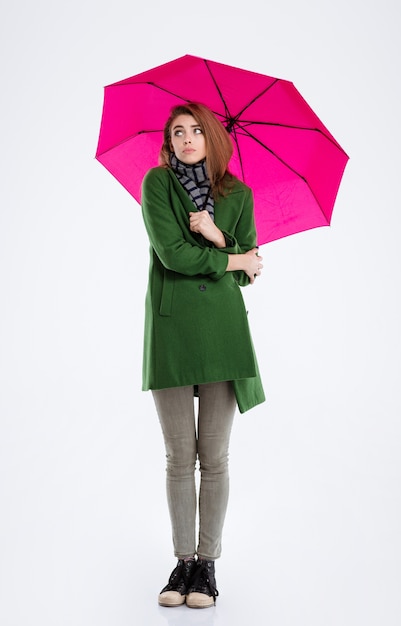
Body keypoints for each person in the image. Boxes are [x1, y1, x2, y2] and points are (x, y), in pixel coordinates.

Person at [140, 102, 265, 609]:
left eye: (197, 130)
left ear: (214, 138)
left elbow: (248, 271)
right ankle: (182, 560)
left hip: (223, 332)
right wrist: (231, 256)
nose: (187, 138)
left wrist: (220, 238)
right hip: (172, 331)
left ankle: (207, 566)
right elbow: (173, 254)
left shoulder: (239, 195)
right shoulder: (156, 185)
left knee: (214, 457)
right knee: (178, 456)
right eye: (177, 132)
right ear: (168, 141)